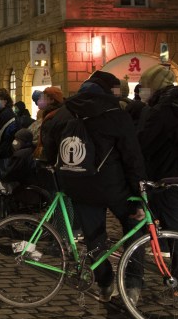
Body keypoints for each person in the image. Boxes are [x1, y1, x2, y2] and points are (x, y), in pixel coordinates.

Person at [41, 70, 146, 301]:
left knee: (94, 236)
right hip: (114, 186)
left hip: (77, 184)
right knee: (134, 227)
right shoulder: (116, 114)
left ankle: (105, 282)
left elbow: (49, 147)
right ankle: (132, 284)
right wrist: (139, 193)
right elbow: (132, 157)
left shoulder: (63, 113)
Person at [136, 65, 178, 309]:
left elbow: (144, 143)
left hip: (168, 180)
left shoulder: (162, 110)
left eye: (145, 86)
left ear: (154, 86)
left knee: (177, 236)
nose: (142, 91)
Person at [0, 89, 19, 184]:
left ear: (5, 101)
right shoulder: (4, 113)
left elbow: (0, 134)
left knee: (1, 179)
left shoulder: (6, 115)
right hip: (4, 151)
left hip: (4, 152)